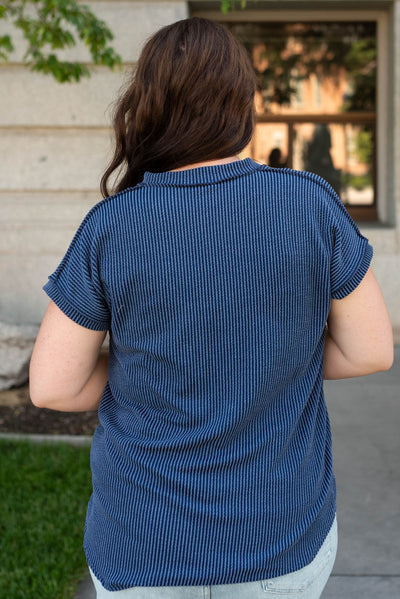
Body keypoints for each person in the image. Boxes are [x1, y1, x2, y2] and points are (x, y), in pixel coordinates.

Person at [29, 17, 393, 599]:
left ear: (147, 105)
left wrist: (144, 368)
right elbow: (371, 351)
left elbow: (53, 388)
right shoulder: (309, 203)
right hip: (278, 541)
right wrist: (270, 358)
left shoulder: (112, 227)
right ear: (243, 103)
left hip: (143, 545)